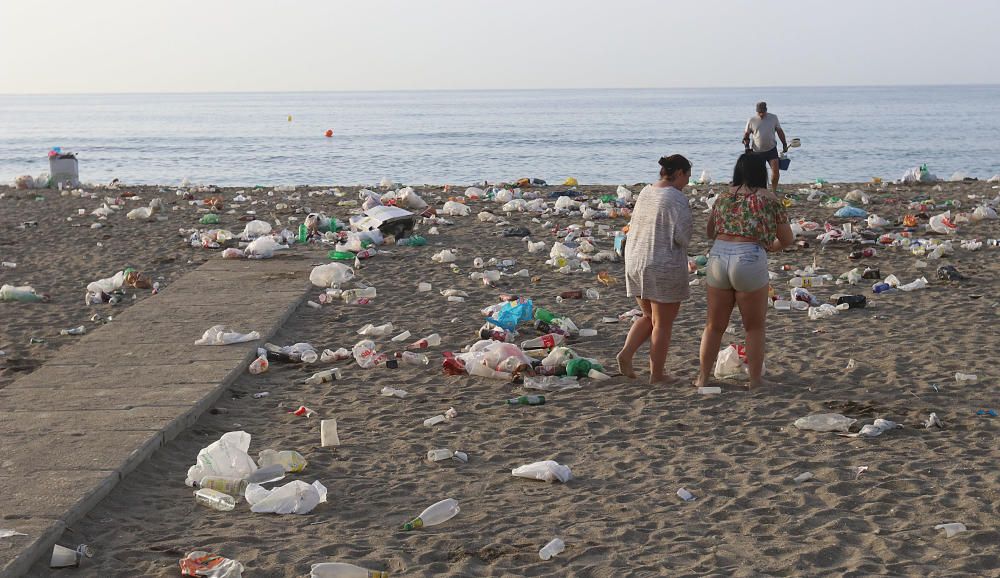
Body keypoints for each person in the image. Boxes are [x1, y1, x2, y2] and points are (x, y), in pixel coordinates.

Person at [695, 153, 793, 389]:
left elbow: (710, 232)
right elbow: (787, 239)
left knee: (714, 325)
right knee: (754, 326)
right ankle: (755, 380)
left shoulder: (724, 197)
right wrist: (770, 247)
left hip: (718, 256)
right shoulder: (769, 199)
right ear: (762, 172)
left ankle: (703, 378)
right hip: (749, 256)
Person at [617, 154, 693, 385]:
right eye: (687, 177)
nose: (687, 183)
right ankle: (657, 374)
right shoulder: (676, 198)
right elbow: (682, 236)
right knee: (663, 323)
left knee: (650, 316)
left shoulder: (646, 191)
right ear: (679, 173)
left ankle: (626, 353)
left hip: (635, 260)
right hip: (661, 263)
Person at [742, 101, 788, 192]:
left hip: (771, 149)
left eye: (763, 112)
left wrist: (784, 144)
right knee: (759, 174)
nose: (761, 114)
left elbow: (779, 131)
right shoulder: (752, 120)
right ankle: (761, 191)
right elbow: (746, 135)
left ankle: (774, 191)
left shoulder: (773, 118)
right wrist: (747, 147)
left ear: (766, 110)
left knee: (776, 172)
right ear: (757, 111)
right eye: (759, 112)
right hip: (757, 151)